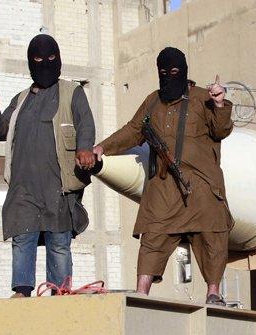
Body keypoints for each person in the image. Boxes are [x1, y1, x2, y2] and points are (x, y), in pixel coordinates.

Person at [93, 47, 234, 305]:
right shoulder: (152, 101)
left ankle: (213, 292)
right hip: (164, 184)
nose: (169, 76)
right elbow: (133, 130)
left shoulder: (203, 98)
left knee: (212, 233)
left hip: (201, 183)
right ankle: (141, 294)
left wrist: (220, 103)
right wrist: (102, 148)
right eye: (163, 72)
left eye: (174, 71)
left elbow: (221, 129)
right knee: (152, 236)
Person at [0, 34, 96, 298]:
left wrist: (84, 148)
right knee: (23, 235)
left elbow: (86, 123)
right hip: (23, 186)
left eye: (50, 58)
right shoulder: (22, 99)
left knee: (59, 240)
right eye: (37, 59)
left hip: (57, 183)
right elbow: (1, 130)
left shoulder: (72, 92)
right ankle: (22, 290)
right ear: (29, 63)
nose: (45, 63)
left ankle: (59, 292)